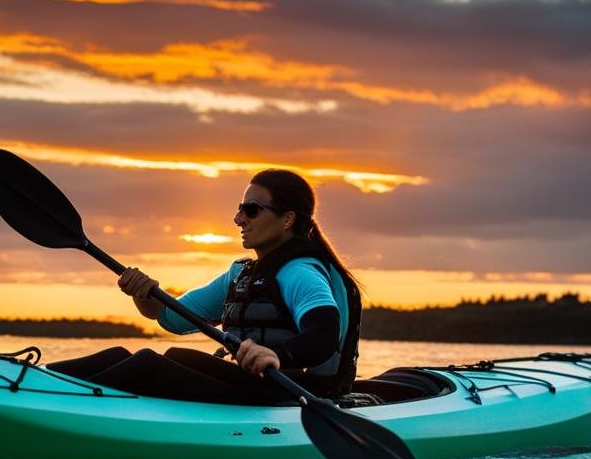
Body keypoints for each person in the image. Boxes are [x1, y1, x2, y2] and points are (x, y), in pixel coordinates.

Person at [47, 169, 362, 404]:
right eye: (239, 208)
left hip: (289, 395)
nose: (238, 219)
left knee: (149, 364)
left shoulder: (300, 272)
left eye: (251, 209)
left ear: (288, 219)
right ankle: (37, 378)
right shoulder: (240, 274)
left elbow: (324, 335)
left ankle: (50, 402)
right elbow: (172, 318)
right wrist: (143, 295)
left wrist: (276, 354)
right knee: (123, 354)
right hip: (249, 385)